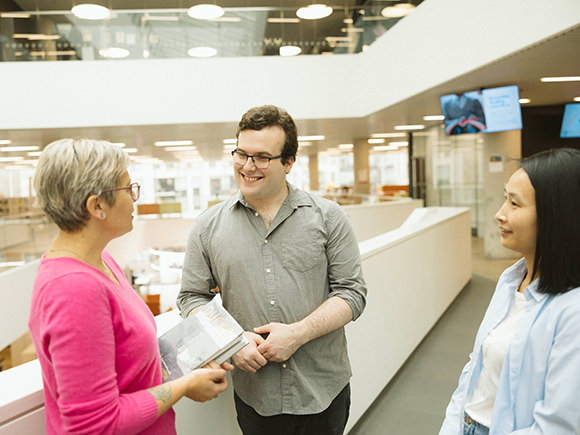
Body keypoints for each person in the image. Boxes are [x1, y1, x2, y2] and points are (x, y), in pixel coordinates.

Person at [177, 105, 367, 435]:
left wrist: (299, 333)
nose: (248, 167)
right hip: (255, 396)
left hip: (323, 389)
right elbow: (190, 298)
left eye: (262, 157)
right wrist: (231, 342)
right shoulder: (208, 227)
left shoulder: (328, 218)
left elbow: (352, 293)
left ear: (288, 162)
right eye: (241, 154)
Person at [29, 138, 231, 434]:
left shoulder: (102, 262)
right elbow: (93, 426)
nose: (134, 197)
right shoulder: (73, 289)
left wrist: (187, 368)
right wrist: (184, 385)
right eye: (128, 188)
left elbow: (128, 367)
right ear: (97, 205)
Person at [440, 147, 580, 434]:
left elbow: (557, 427)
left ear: (556, 216)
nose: (499, 214)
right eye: (505, 199)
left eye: (514, 204)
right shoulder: (511, 280)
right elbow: (475, 366)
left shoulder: (572, 310)